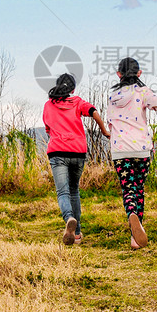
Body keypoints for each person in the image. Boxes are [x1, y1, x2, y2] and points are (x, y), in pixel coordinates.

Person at [108, 57, 157, 249]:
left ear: (119, 74)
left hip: (120, 151)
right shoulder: (142, 92)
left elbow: (110, 124)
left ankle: (131, 214)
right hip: (141, 149)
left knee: (128, 189)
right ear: (139, 74)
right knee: (139, 188)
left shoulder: (112, 98)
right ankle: (136, 236)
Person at [42, 73, 110, 245]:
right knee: (74, 191)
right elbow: (93, 111)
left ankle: (69, 218)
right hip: (78, 151)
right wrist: (103, 130)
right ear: (72, 89)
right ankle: (77, 234)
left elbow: (48, 130)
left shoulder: (48, 105)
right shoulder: (78, 102)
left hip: (58, 152)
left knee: (63, 192)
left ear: (58, 86)